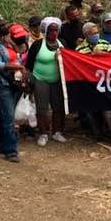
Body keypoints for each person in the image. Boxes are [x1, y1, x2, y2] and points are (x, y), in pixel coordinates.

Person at [0, 15, 23, 163]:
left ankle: (2, 145)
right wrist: (18, 67)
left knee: (3, 115)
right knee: (9, 116)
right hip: (0, 82)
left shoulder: (1, 41)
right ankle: (11, 150)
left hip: (6, 81)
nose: (3, 27)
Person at [26, 17, 66, 147]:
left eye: (56, 30)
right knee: (42, 108)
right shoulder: (38, 45)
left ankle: (56, 132)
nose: (53, 33)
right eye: (51, 30)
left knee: (58, 107)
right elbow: (29, 64)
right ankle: (43, 133)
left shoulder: (62, 44)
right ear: (46, 31)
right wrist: (29, 80)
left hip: (57, 80)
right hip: (40, 79)